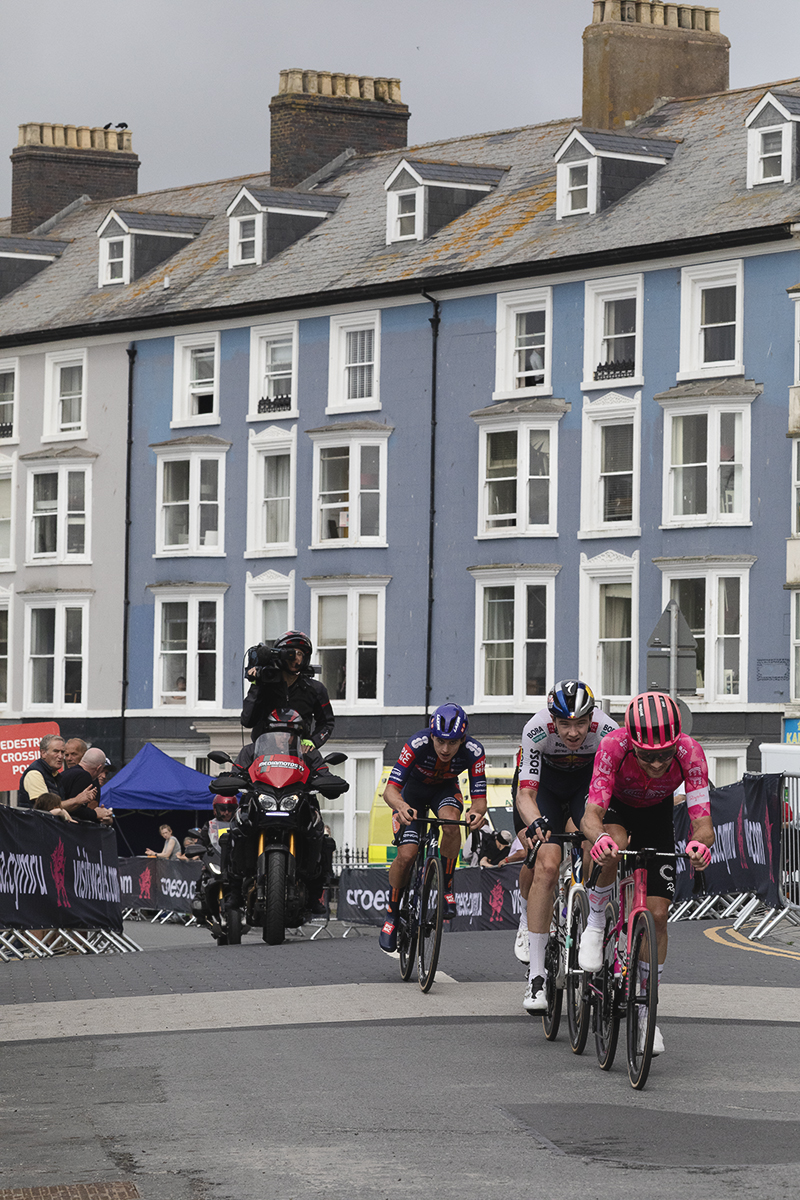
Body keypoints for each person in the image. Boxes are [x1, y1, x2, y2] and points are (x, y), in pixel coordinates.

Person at [579, 691, 714, 1056]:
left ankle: (645, 1012)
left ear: (676, 744)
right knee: (614, 842)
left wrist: (701, 846)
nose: (656, 764)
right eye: (647, 756)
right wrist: (600, 838)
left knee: (657, 915)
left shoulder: (690, 751)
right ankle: (594, 921)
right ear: (632, 743)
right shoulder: (613, 745)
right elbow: (591, 814)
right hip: (617, 808)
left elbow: (702, 821)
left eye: (664, 756)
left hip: (657, 814)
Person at [515, 680, 618, 1012]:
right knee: (547, 862)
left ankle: (586, 913)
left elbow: (608, 793)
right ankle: (536, 978)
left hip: (583, 788)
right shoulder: (535, 730)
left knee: (592, 845)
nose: (573, 733)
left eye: (580, 723)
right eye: (564, 724)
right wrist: (536, 823)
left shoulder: (608, 730)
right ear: (552, 719)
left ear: (592, 717)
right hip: (542, 788)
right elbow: (526, 794)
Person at [379, 703, 487, 954]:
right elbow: (390, 791)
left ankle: (447, 887)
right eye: (440, 741)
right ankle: (391, 915)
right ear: (431, 735)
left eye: (452, 742)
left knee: (451, 825)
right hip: (411, 793)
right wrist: (401, 806)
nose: (445, 749)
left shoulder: (474, 750)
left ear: (463, 739)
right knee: (407, 854)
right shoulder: (417, 744)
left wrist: (476, 813)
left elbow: (479, 800)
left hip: (445, 790)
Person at [241, 631, 334, 751]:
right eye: (290, 653)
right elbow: (247, 721)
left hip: (299, 756)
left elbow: (327, 723)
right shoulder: (265, 686)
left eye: (299, 653)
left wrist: (313, 741)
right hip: (263, 755)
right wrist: (256, 684)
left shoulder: (315, 689)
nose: (295, 657)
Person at [18, 735, 93, 811]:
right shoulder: (34, 774)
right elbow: (45, 807)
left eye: (62, 752)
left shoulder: (55, 776)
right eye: (56, 751)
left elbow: (59, 808)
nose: (60, 756)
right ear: (43, 753)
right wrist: (76, 800)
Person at [60, 747, 113, 825]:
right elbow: (75, 810)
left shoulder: (66, 773)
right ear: (98, 768)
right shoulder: (84, 776)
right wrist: (96, 814)